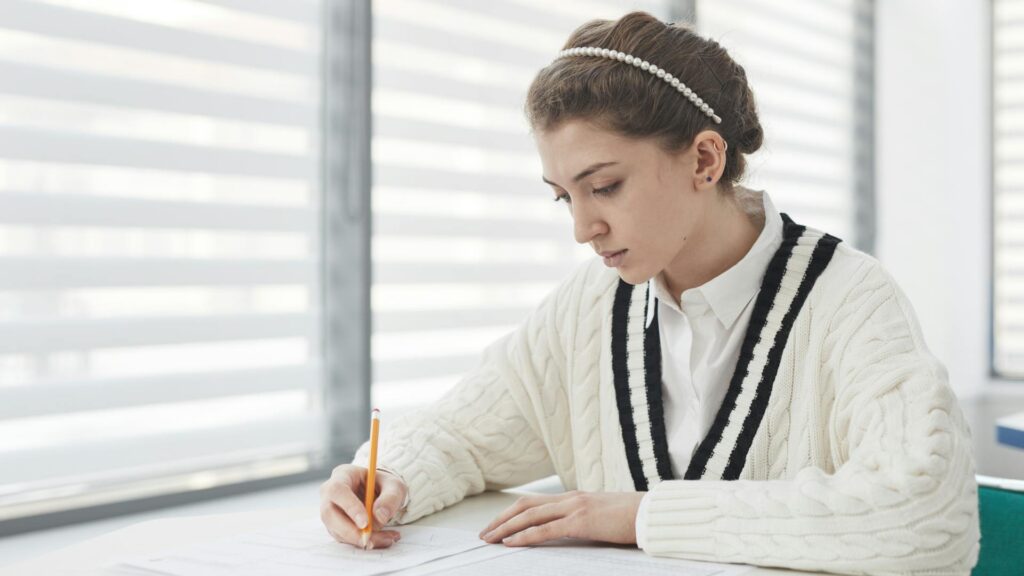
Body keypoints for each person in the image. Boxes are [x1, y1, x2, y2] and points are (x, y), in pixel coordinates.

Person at [319, 11, 980, 574]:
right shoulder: (590, 308)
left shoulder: (849, 300)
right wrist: (388, 480)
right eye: (564, 197)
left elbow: (924, 507)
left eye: (604, 186)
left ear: (703, 160)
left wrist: (643, 516)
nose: (583, 228)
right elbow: (458, 435)